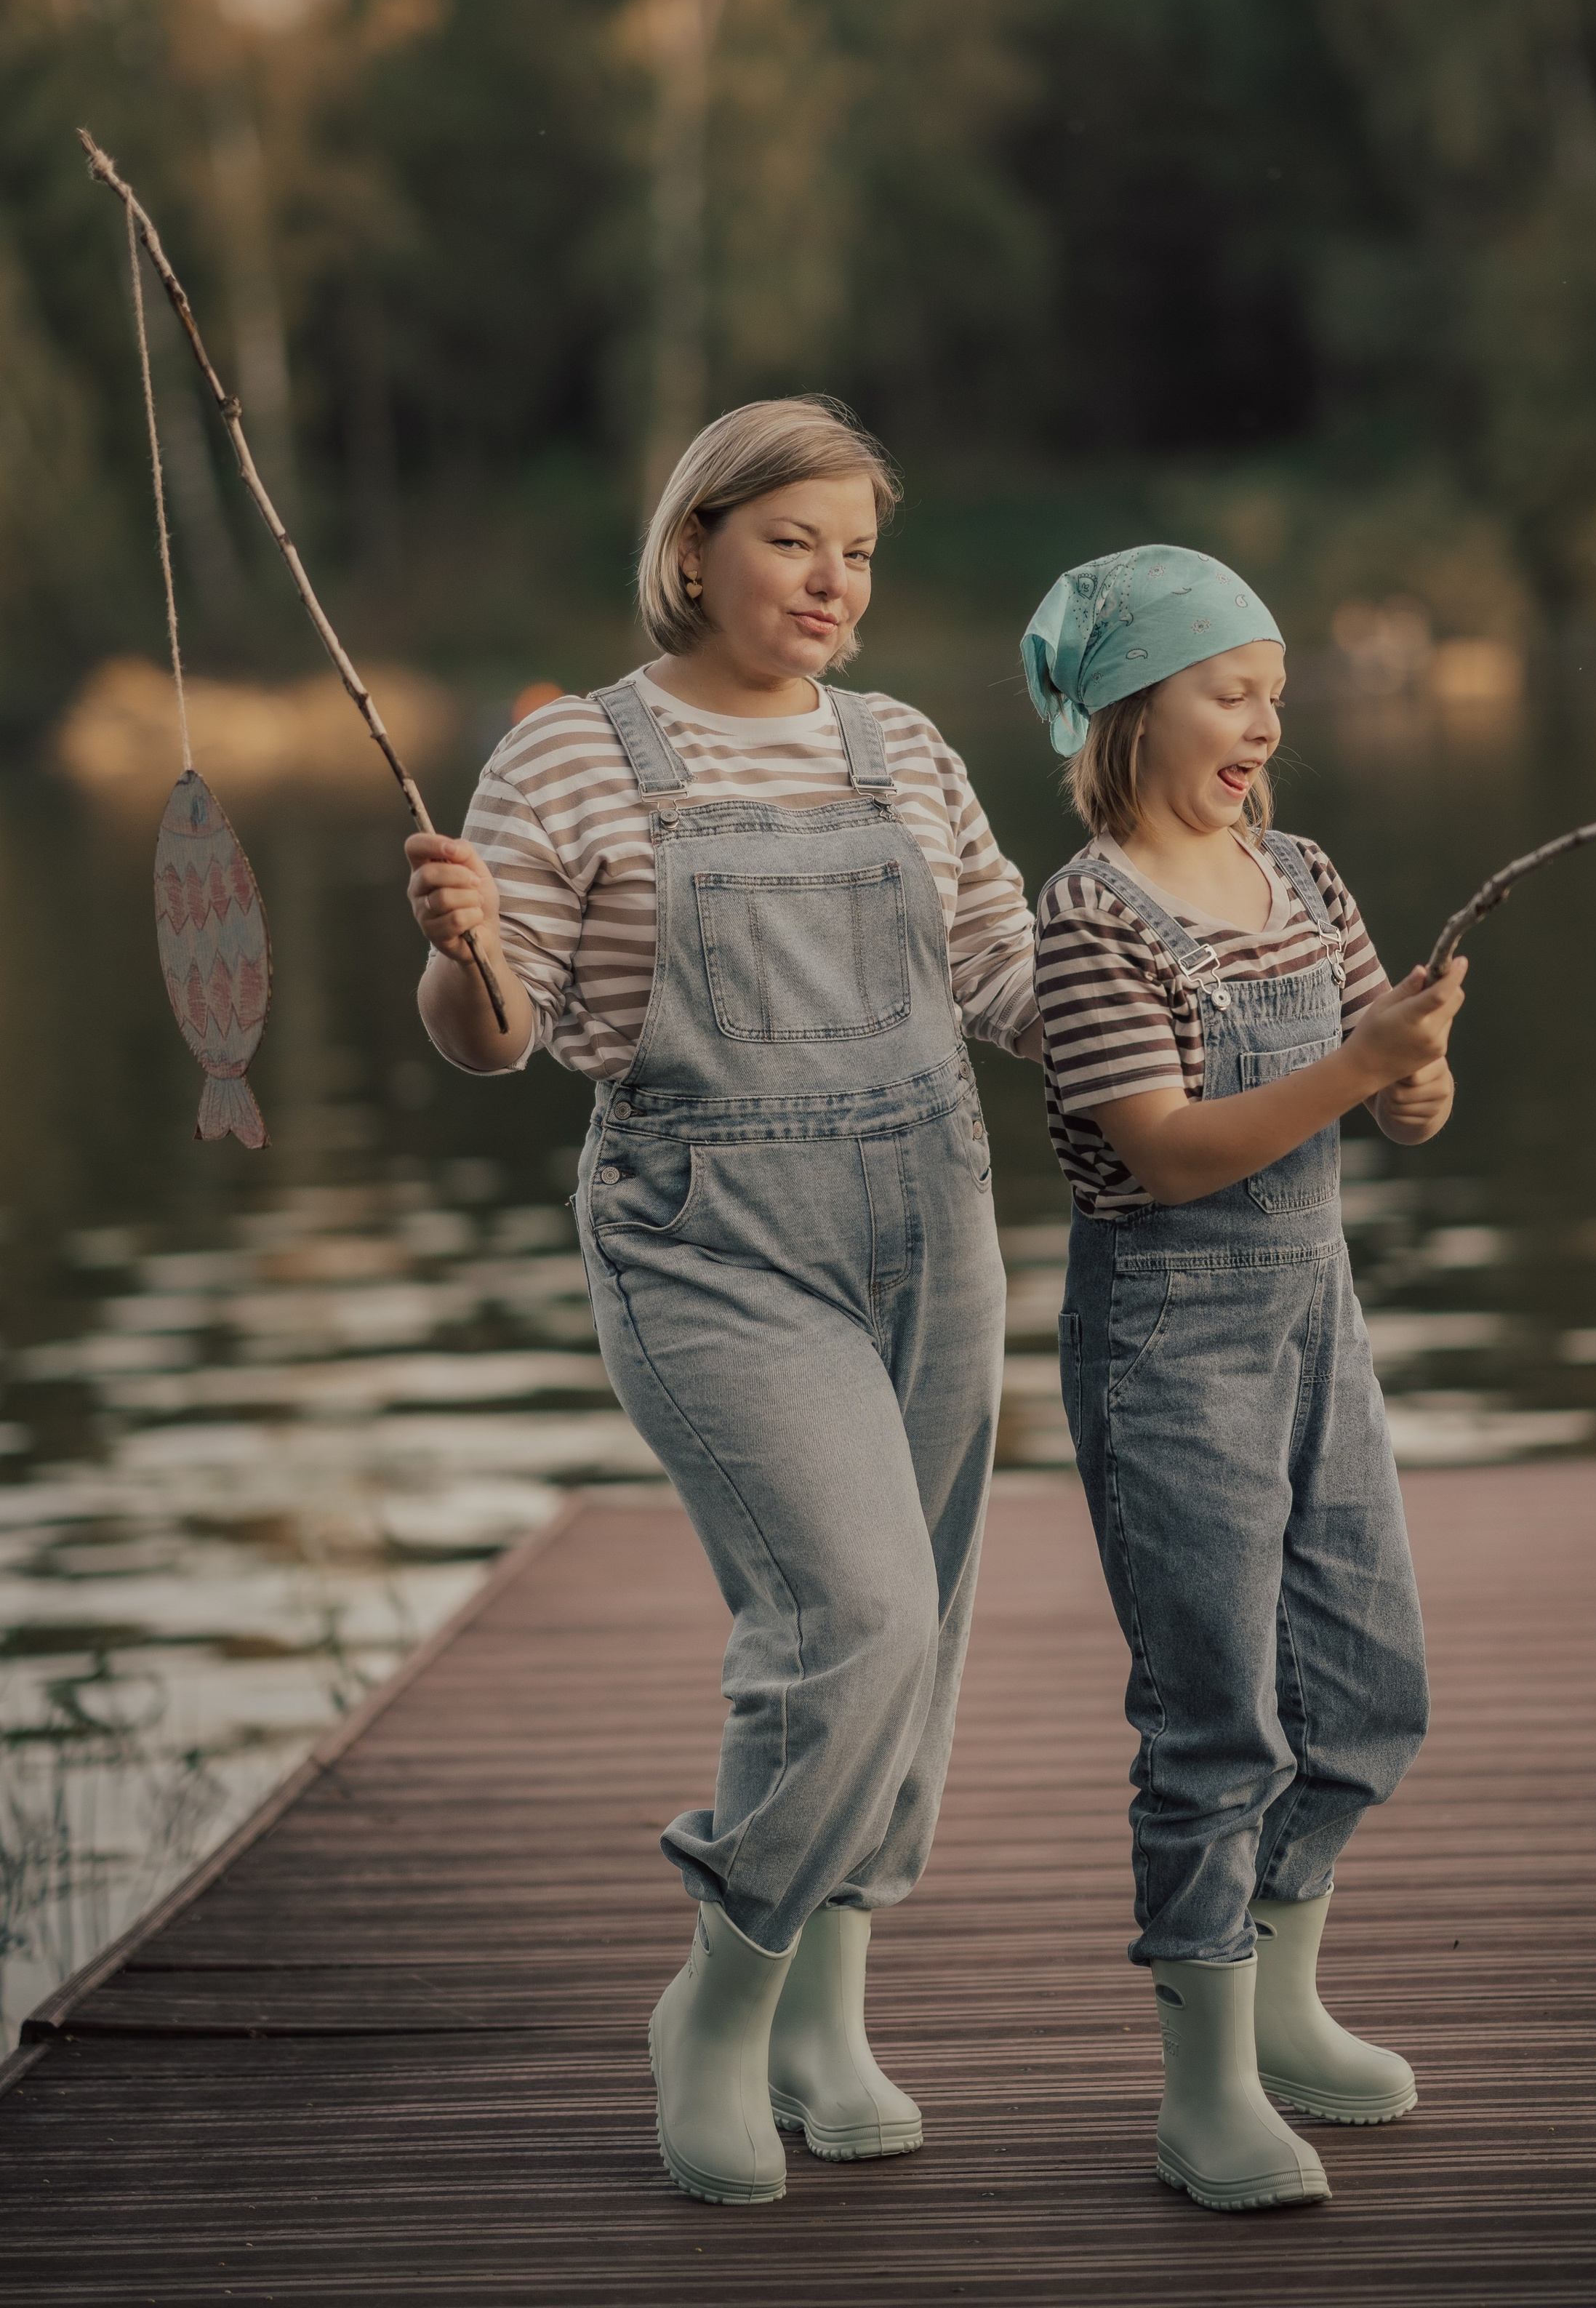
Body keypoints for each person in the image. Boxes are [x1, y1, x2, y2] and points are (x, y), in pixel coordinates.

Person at [406, 398, 1040, 2206]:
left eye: (858, 552)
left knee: (927, 1624)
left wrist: (1223, 1025)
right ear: (694, 546)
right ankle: (719, 1998)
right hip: (706, 1237)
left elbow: (998, 963)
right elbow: (493, 1043)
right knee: (854, 1616)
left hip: (932, 1221)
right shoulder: (562, 764)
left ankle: (830, 2015)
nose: (835, 580)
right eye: (794, 541)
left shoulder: (901, 746)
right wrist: (460, 957)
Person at [1021, 545, 1465, 2215]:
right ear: (1134, 710)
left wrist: (1408, 1073)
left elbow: (1395, 1098)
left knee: (1365, 1689)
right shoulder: (1084, 921)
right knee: (1214, 1718)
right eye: (1231, 689)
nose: (1263, 722)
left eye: (1272, 693)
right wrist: (1353, 1068)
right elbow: (1170, 1152)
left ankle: (1281, 2004)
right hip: (1167, 1341)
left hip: (1313, 1324)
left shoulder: (1302, 871)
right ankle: (1198, 2088)